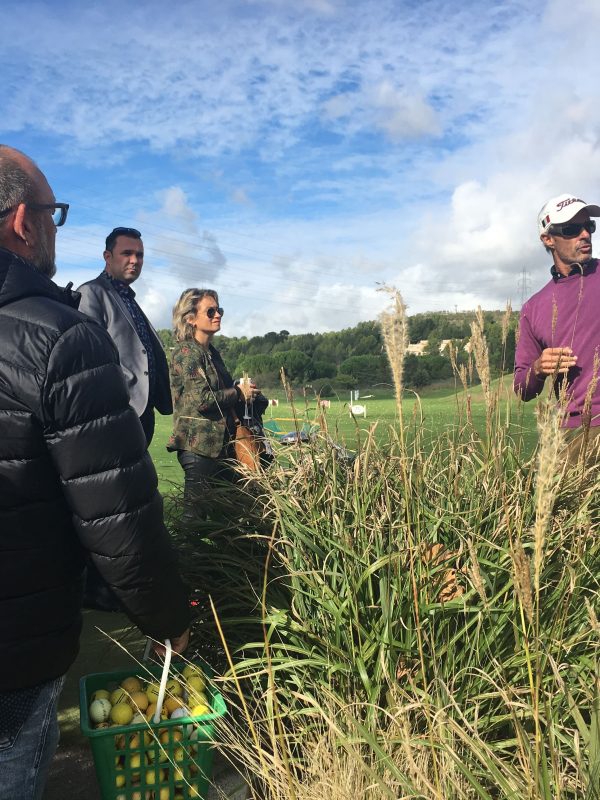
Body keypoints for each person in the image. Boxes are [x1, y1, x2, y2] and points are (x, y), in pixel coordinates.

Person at [0, 145, 190, 800]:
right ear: (25, 221)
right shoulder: (61, 327)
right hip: (14, 648)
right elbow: (119, 518)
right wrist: (167, 614)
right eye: (55, 214)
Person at [167, 288, 268, 522]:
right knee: (194, 521)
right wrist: (238, 394)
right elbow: (202, 400)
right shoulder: (186, 352)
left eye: (219, 309)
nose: (217, 315)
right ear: (190, 318)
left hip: (221, 447)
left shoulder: (211, 352)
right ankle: (184, 558)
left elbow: (222, 394)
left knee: (227, 518)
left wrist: (247, 393)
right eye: (210, 311)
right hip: (199, 447)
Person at [514, 193, 600, 460]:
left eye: (590, 227)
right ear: (548, 239)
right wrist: (539, 368)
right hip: (573, 437)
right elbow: (522, 387)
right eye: (572, 229)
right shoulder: (534, 308)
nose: (585, 234)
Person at [76, 227, 172, 445]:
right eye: (127, 253)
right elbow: (89, 361)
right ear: (107, 257)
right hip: (117, 413)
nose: (134, 260)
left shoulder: (128, 298)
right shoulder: (91, 293)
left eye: (139, 255)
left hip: (142, 414)